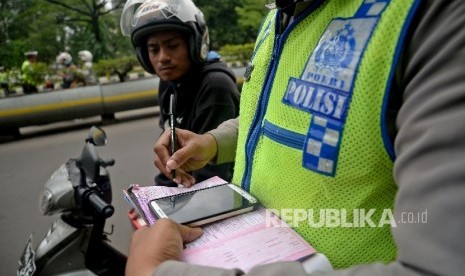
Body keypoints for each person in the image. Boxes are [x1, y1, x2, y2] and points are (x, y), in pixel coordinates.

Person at [128, 0, 465, 275]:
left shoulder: (428, 15)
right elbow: (269, 113)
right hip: (251, 249)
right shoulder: (278, 17)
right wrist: (213, 142)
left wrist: (158, 274)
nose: (162, 57)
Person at [120, 0, 240, 187]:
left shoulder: (215, 86)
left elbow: (211, 180)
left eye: (173, 46)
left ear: (194, 44)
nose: (163, 58)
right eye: (153, 50)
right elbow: (172, 158)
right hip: (184, 186)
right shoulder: (170, 83)